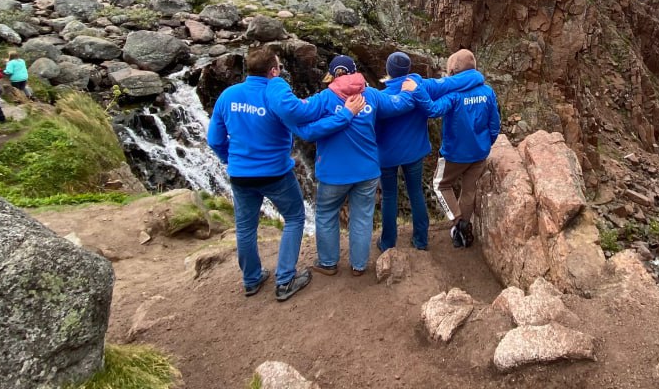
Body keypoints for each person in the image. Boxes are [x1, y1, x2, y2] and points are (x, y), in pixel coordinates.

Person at [207, 46, 365, 301]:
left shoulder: (228, 95)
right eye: (279, 67)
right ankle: (285, 280)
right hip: (275, 173)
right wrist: (345, 112)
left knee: (245, 228)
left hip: (240, 175)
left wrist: (231, 160)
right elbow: (305, 121)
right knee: (294, 218)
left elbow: (214, 139)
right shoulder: (276, 97)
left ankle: (251, 280)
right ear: (273, 70)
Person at [270, 55, 421, 277]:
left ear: (332, 75)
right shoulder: (371, 95)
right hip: (368, 170)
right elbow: (399, 105)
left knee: (326, 214)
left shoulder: (324, 99)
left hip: (333, 173)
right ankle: (359, 266)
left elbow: (304, 124)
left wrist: (291, 123)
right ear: (354, 71)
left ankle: (328, 263)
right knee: (362, 217)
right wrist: (411, 90)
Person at [375, 51, 485, 252]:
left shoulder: (380, 98)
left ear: (388, 71)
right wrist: (475, 76)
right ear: (408, 69)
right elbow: (449, 86)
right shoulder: (421, 88)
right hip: (415, 152)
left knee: (390, 196)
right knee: (416, 192)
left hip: (387, 156)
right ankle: (420, 240)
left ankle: (387, 242)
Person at [427, 49, 500, 248]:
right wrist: (486, 143)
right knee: (469, 191)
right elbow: (494, 125)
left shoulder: (454, 95)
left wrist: (416, 94)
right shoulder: (487, 92)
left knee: (440, 185)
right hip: (479, 154)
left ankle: (458, 223)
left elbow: (432, 110)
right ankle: (462, 231)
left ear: (453, 70)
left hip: (454, 154)